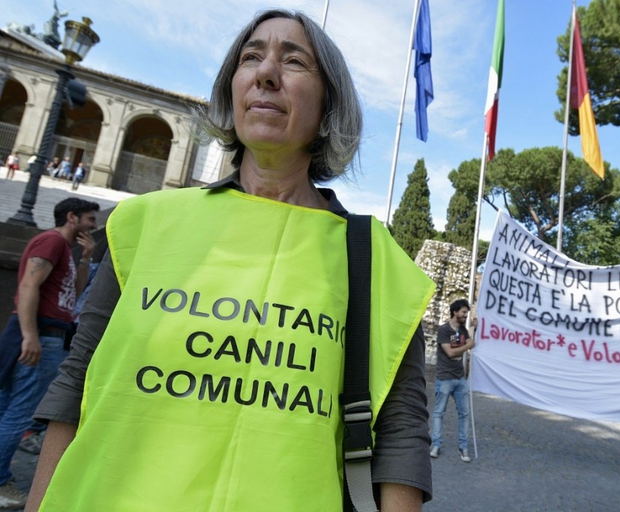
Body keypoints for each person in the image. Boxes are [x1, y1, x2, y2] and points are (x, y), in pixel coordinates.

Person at [27, 10, 435, 512]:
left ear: (329, 106)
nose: (266, 73)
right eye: (250, 57)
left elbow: (401, 435)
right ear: (232, 87)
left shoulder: (377, 261)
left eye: (294, 61)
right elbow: (77, 382)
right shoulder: (144, 223)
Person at [0, 198, 97, 509]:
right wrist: (30, 335)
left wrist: (85, 258)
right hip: (41, 333)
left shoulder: (64, 249)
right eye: (89, 219)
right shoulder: (52, 241)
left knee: (10, 407)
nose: (93, 225)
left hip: (43, 332)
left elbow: (75, 293)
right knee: (21, 411)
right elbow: (29, 286)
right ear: (71, 217)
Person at [430, 299, 476, 463]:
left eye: (466, 312)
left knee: (464, 414)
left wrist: (473, 334)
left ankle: (463, 447)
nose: (466, 315)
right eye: (463, 312)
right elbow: (450, 353)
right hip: (444, 379)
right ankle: (436, 445)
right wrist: (469, 344)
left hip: (460, 379)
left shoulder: (463, 330)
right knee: (439, 413)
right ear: (455, 312)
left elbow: (469, 344)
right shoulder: (444, 330)